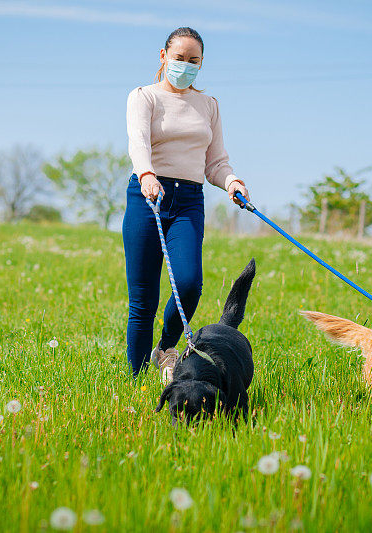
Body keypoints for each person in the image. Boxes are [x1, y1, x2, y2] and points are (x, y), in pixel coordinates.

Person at [122, 26, 250, 383]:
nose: (185, 65)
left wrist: (232, 181)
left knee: (190, 283)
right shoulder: (143, 97)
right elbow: (139, 143)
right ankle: (134, 379)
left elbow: (216, 162)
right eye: (179, 58)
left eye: (194, 61)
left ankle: (165, 349)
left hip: (188, 201)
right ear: (163, 57)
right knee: (143, 300)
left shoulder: (208, 106)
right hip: (147, 196)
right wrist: (147, 174)